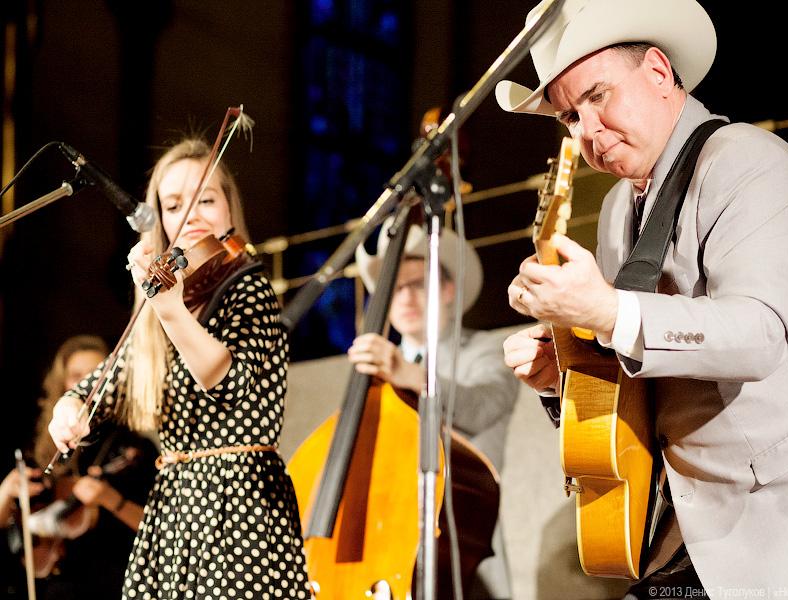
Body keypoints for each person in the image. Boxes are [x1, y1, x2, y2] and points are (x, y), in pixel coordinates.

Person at [496, 0, 788, 598]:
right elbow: (642, 361)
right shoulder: (615, 211)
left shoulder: (748, 161)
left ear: (659, 74)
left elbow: (760, 333)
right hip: (711, 527)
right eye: (568, 119)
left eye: (598, 96)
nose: (587, 134)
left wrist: (606, 312)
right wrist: (565, 375)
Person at [47, 138, 310, 599]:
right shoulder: (167, 302)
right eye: (173, 205)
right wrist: (69, 408)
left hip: (242, 512)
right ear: (160, 222)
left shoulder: (249, 288)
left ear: (230, 210)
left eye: (205, 199)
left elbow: (228, 381)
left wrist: (169, 310)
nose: (190, 215)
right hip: (172, 511)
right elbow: (104, 384)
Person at [351, 221, 519, 599]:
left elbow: (481, 405)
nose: (405, 299)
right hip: (390, 536)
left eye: (417, 285)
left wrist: (410, 375)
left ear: (447, 289)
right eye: (393, 289)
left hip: (465, 536)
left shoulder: (485, 350)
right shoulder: (380, 369)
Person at [0, 334, 157, 600]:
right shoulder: (37, 447)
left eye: (95, 374)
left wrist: (111, 500)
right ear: (62, 383)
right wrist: (5, 492)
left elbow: (161, 529)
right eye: (76, 376)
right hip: (44, 586)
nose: (88, 385)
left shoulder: (135, 445)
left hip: (115, 583)